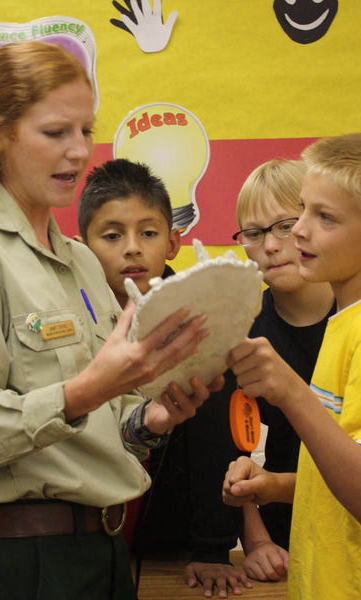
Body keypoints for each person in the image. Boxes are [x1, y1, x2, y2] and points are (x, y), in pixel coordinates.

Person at [0, 42, 222, 600]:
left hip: (99, 555)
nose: (79, 152)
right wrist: (87, 389)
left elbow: (106, 427)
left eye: (85, 130)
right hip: (16, 567)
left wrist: (148, 417)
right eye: (56, 132)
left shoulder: (78, 259)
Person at [223, 132, 361, 599]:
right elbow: (358, 467)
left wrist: (289, 390)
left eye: (324, 217)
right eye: (302, 209)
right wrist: (278, 486)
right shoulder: (354, 320)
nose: (300, 230)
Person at [78, 158, 248, 599]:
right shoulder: (74, 317)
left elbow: (215, 442)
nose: (131, 248)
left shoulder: (199, 317)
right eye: (112, 236)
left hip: (176, 540)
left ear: (173, 242)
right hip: (86, 534)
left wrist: (212, 548)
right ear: (83, 247)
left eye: (148, 233)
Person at [226, 159, 335, 581]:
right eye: (253, 233)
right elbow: (228, 449)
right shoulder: (240, 331)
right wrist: (256, 540)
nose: (270, 246)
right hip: (289, 541)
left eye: (284, 226)